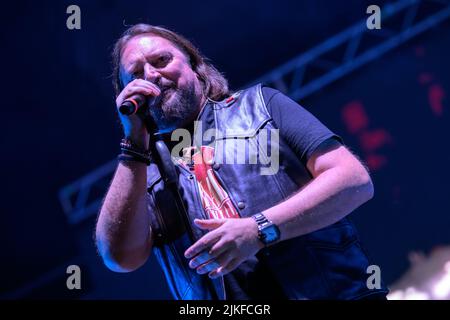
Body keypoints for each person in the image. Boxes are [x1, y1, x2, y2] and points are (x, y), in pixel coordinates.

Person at [95, 24, 389, 300]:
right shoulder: (142, 174)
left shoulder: (261, 107)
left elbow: (353, 181)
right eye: (136, 75)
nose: (151, 76)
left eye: (161, 60)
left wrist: (259, 229)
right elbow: (119, 258)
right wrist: (133, 145)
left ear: (194, 66)